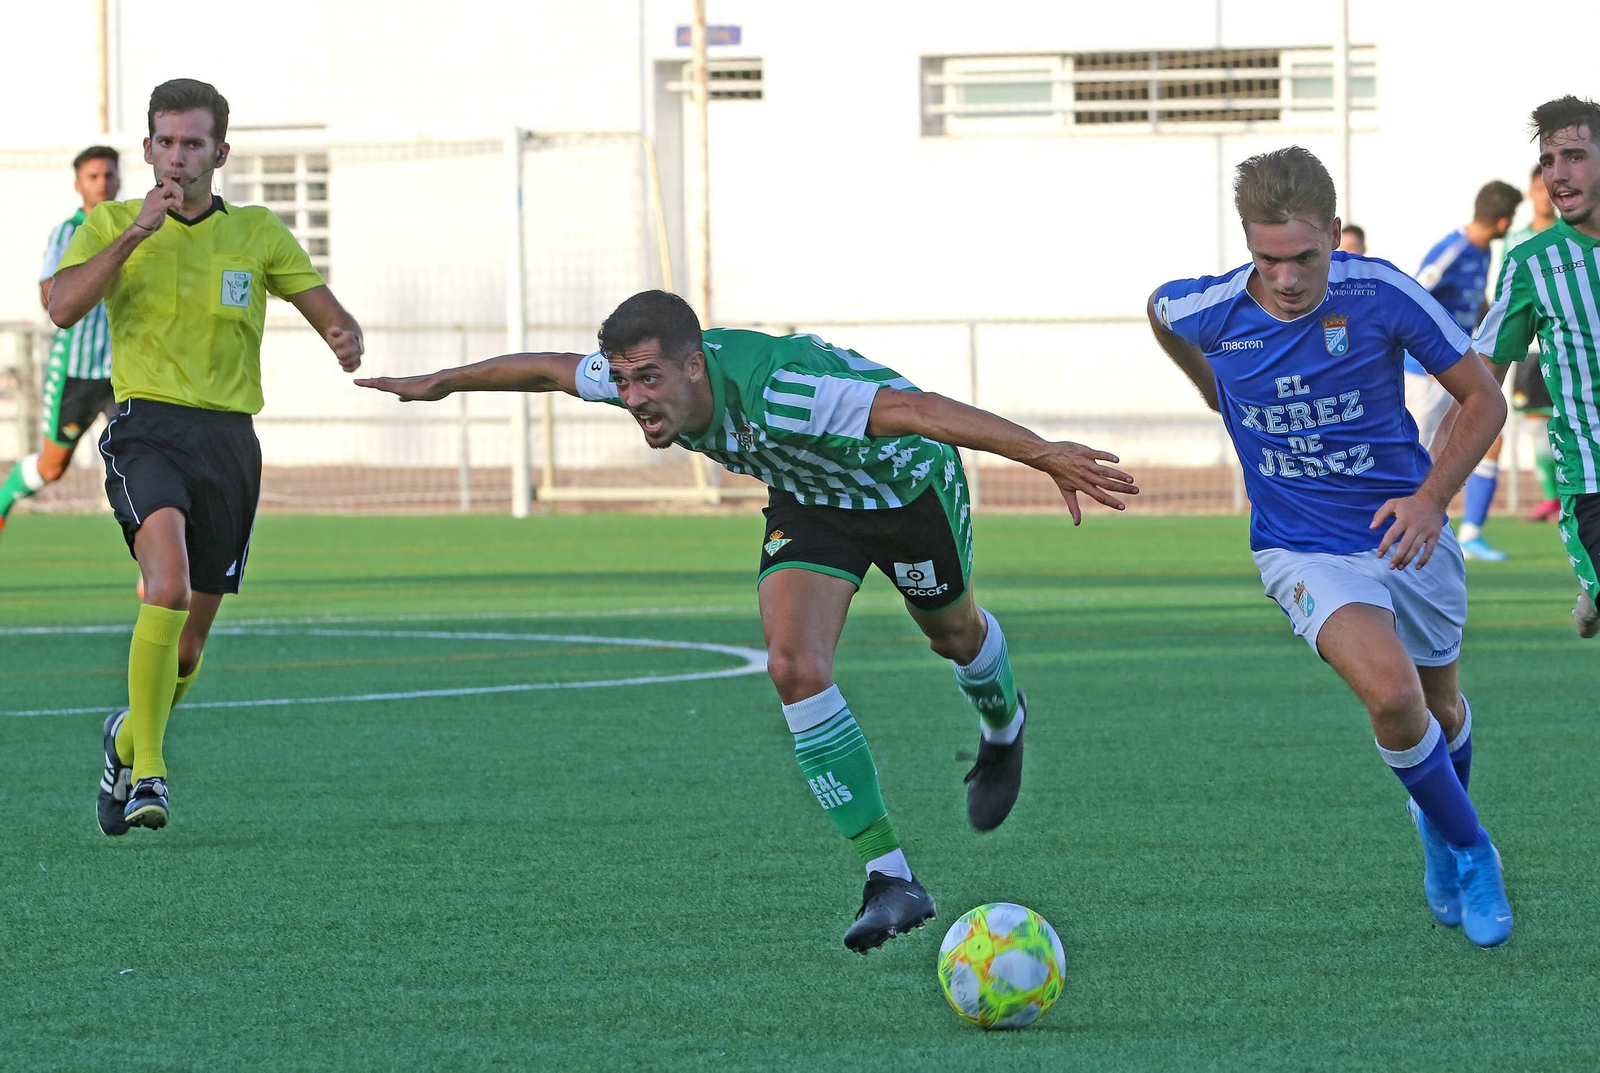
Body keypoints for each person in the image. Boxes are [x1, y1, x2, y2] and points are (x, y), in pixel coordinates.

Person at [356, 290, 1138, 952]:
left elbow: (918, 410)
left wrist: (1041, 454)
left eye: (649, 380)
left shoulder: (786, 388)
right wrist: (444, 384)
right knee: (794, 665)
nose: (634, 400)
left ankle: (1005, 723)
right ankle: (892, 877)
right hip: (811, 504)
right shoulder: (647, 378)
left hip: (906, 495)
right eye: (625, 382)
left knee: (953, 636)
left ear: (694, 366)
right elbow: (550, 369)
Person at [1148, 146, 1513, 947]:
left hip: (1404, 531)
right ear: (1247, 243)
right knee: (1391, 694)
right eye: (1266, 258)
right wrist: (1215, 390)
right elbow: (1159, 311)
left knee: (1441, 705)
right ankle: (1472, 846)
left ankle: (1434, 820)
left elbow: (1484, 398)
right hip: (1299, 546)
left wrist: (1429, 500)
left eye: (1304, 256)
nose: (1284, 278)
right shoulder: (1208, 309)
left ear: (1335, 236)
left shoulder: (1378, 291)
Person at [48, 79, 365, 835]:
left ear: (220, 151)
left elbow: (327, 311)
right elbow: (61, 307)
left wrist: (345, 335)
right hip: (146, 430)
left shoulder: (257, 232)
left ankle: (124, 736)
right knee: (166, 586)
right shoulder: (112, 224)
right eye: (166, 142)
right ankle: (149, 768)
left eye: (194, 144)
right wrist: (132, 238)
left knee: (188, 650)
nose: (179, 157)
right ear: (148, 147)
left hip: (228, 444)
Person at [1473, 95, 1600, 639]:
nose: (1557, 174)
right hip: (1593, 479)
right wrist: (1427, 493)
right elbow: (1480, 378)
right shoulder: (1531, 262)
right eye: (1549, 161)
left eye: (1573, 155)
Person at [0, 147, 121, 533]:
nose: (102, 183)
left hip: (127, 373)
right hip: (77, 372)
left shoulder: (139, 227)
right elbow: (49, 297)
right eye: (93, 176)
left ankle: (155, 569)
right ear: (78, 185)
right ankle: (4, 499)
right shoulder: (68, 233)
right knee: (52, 467)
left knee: (138, 462)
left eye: (108, 175)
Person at [1401, 181, 1523, 561]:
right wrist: (1428, 355)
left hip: (1455, 368)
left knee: (1462, 439)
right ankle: (1396, 527)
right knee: (1416, 449)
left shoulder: (1484, 250)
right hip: (1425, 373)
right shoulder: (1452, 250)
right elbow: (1414, 295)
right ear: (1503, 220)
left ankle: (1458, 531)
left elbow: (1477, 302)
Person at [1502, 162, 1562, 521]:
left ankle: (1575, 490)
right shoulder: (1515, 239)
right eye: (1539, 189)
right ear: (1531, 194)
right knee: (1536, 426)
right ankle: (1551, 498)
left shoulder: (1572, 235)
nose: (1545, 196)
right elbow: (1504, 295)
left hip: (1563, 348)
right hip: (1530, 354)